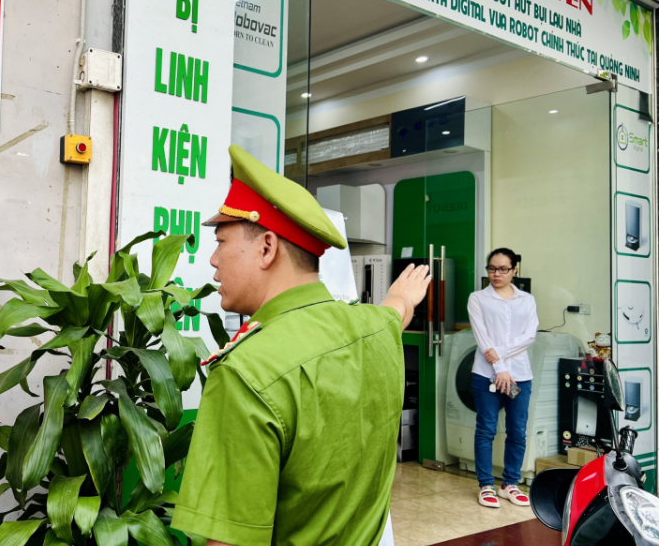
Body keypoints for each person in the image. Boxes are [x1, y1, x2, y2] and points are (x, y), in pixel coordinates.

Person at [171, 146, 431, 546]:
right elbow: (397, 312)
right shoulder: (376, 330)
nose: (212, 259)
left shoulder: (247, 374)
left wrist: (399, 302)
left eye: (221, 241)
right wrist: (403, 296)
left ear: (267, 248)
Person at [467, 248, 538, 509]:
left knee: (517, 432)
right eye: (492, 269)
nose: (496, 274)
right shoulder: (477, 299)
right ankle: (486, 485)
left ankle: (510, 484)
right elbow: (482, 337)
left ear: (515, 270)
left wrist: (501, 357)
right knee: (486, 429)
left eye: (503, 269)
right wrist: (499, 367)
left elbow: (529, 336)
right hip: (486, 374)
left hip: (520, 374)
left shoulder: (527, 300)